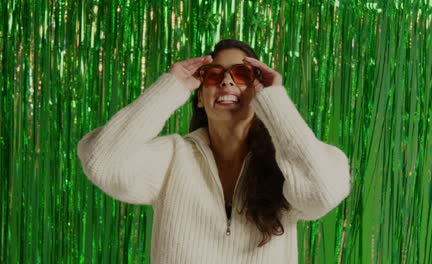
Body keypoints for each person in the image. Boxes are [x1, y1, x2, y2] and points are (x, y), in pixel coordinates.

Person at [77, 39, 351, 264]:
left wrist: (276, 103)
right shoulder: (173, 158)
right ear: (199, 95)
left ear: (258, 94)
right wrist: (170, 87)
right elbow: (101, 161)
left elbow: (324, 192)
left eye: (241, 75)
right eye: (214, 75)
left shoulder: (286, 168)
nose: (227, 82)